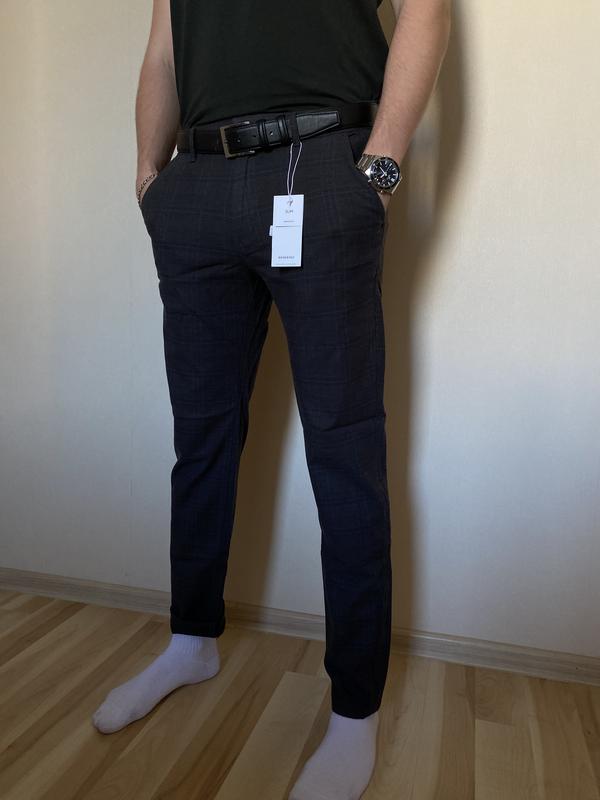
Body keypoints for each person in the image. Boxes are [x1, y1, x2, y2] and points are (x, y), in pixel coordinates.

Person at [93, 1, 451, 797]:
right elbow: (163, 50)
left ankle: (355, 710)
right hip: (197, 182)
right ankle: (191, 641)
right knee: (202, 438)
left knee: (344, 449)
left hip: (322, 166)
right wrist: (150, 178)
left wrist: (381, 166)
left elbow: (427, 10)